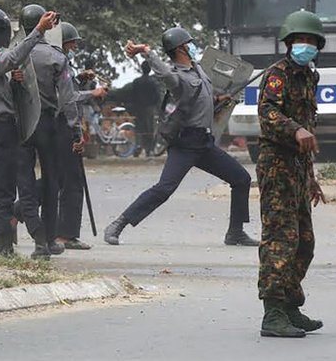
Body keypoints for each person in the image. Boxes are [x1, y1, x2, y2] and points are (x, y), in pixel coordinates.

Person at [103, 27, 258, 247]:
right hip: (185, 143)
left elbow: (203, 99)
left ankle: (235, 232)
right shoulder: (176, 77)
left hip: (204, 143)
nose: (193, 46)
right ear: (181, 48)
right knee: (164, 189)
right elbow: (164, 74)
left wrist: (221, 99)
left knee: (241, 179)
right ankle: (118, 224)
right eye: (189, 43)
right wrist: (146, 51)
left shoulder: (198, 71)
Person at [255, 10, 327, 338]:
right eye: (300, 39)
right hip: (276, 164)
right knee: (280, 238)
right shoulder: (276, 75)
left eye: (311, 40)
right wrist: (294, 129)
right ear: (288, 42)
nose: (305, 45)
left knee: (304, 242)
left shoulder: (310, 77)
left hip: (298, 167)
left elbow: (308, 129)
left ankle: (289, 306)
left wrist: (311, 178)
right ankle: (272, 313)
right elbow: (268, 112)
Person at [0, 6, 57, 255]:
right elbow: (13, 56)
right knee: (3, 191)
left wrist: (13, 80)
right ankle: (3, 247)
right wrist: (38, 30)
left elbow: (4, 75)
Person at [53, 22, 107, 250]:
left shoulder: (59, 62)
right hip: (63, 126)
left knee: (59, 180)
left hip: (57, 127)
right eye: (72, 42)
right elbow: (67, 98)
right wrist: (92, 93)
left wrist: (81, 78)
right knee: (71, 183)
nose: (75, 45)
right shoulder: (60, 61)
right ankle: (66, 234)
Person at [131, 60, 161, 157]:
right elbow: (157, 96)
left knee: (139, 129)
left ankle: (139, 147)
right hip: (150, 108)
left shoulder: (136, 82)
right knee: (149, 129)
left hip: (139, 108)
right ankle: (149, 149)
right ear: (150, 69)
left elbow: (133, 96)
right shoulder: (153, 82)